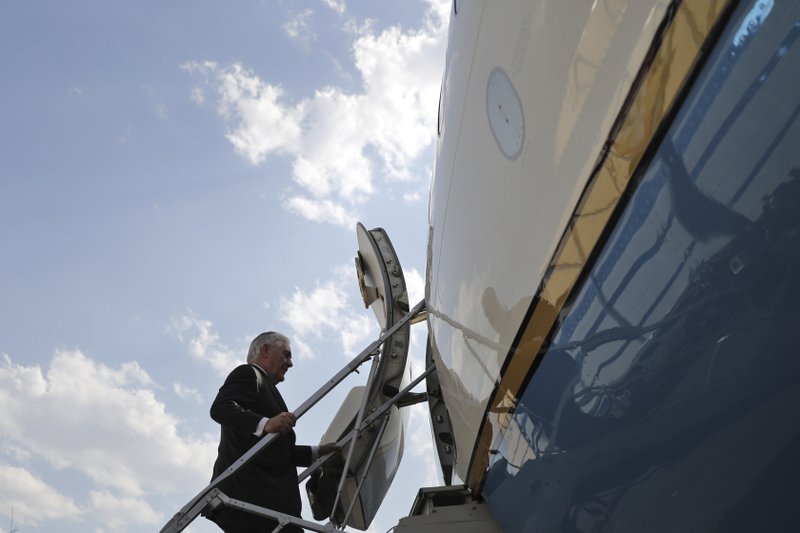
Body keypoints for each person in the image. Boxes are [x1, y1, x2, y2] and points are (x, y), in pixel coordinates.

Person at [206, 331, 339, 533]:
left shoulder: (264, 385)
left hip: (267, 506)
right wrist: (265, 423)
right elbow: (221, 408)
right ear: (266, 350)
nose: (290, 363)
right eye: (286, 354)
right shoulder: (249, 373)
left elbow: (276, 452)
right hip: (253, 501)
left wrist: (318, 452)